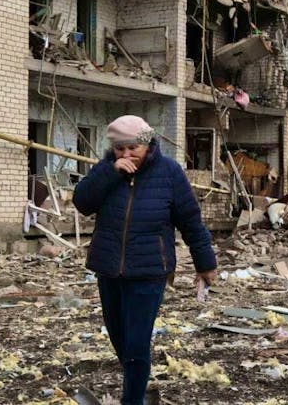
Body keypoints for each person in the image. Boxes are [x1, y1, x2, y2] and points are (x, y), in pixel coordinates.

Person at [73, 115, 217, 405]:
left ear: (148, 145)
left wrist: (206, 263)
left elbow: (190, 221)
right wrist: (112, 172)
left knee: (137, 344)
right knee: (120, 340)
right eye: (120, 149)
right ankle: (139, 384)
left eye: (132, 149)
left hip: (150, 270)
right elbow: (82, 202)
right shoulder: (106, 170)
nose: (126, 155)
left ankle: (133, 399)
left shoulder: (169, 173)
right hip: (109, 269)